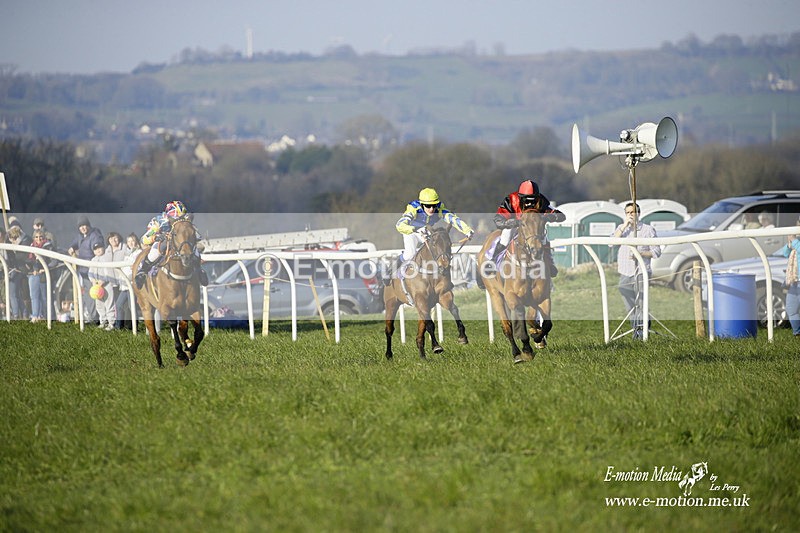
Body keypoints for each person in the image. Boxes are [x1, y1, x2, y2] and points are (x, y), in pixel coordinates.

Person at [387, 187, 473, 283]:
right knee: (410, 254)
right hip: (411, 232)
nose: (431, 209)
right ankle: (390, 271)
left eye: (434, 205)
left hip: (427, 231)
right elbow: (400, 225)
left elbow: (452, 219)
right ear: (422, 204)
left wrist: (467, 231)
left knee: (436, 249)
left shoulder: (439, 208)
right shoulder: (414, 208)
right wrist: (415, 229)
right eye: (428, 206)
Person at [488, 179, 565, 276]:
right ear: (520, 197)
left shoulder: (541, 200)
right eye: (527, 200)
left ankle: (549, 263)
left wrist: (552, 216)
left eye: (533, 200)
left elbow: (560, 215)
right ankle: (492, 262)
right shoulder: (511, 199)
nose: (530, 203)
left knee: (544, 238)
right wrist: (508, 223)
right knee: (505, 238)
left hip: (533, 226)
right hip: (515, 225)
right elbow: (498, 218)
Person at [612, 202, 662, 339]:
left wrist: (640, 254)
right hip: (625, 271)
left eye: (633, 212)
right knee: (629, 305)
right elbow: (611, 242)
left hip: (642, 271)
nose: (631, 215)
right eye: (628, 212)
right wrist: (624, 226)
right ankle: (636, 329)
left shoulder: (648, 230)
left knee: (641, 304)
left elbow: (657, 252)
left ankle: (642, 332)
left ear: (639, 213)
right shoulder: (622, 229)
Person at [135, 200, 208, 289]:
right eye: (177, 218)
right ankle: (142, 272)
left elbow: (197, 235)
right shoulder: (159, 222)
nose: (180, 221)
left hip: (179, 242)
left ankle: (199, 270)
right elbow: (144, 238)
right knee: (154, 253)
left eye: (182, 217)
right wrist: (156, 237)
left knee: (193, 250)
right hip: (163, 240)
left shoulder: (186, 221)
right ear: (169, 217)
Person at [67, 216, 105, 323]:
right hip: (82, 271)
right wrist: (72, 247)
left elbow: (97, 247)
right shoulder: (80, 236)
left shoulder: (94, 234)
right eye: (80, 226)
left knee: (94, 295)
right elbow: (74, 243)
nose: (83, 228)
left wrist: (96, 249)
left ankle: (97, 319)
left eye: (84, 225)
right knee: (87, 295)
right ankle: (93, 317)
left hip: (92, 271)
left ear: (88, 225)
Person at [26, 228, 58, 323]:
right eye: (36, 237)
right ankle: (36, 316)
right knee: (34, 297)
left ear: (44, 237)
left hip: (45, 276)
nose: (38, 239)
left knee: (46, 298)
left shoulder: (48, 246)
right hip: (34, 275)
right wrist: (33, 269)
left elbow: (54, 261)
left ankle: (50, 318)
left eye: (40, 237)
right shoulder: (31, 247)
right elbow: (29, 261)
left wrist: (45, 268)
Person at [779, 217, 800, 337]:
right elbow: (786, 253)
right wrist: (790, 243)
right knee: (791, 309)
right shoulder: (796, 242)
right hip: (794, 281)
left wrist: (795, 242)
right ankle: (797, 333)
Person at [88, 241, 116, 330]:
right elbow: (90, 273)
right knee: (99, 305)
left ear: (103, 248)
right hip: (96, 287)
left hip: (106, 285)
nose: (98, 250)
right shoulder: (93, 260)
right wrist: (93, 281)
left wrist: (102, 281)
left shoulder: (106, 258)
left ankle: (111, 322)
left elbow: (108, 271)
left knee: (109, 303)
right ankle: (103, 321)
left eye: (100, 248)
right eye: (95, 249)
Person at [115, 233, 141, 330]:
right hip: (124, 284)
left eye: (132, 241)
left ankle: (135, 327)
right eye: (129, 241)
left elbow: (137, 267)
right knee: (118, 305)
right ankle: (118, 327)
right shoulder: (127, 253)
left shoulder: (139, 252)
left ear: (136, 242)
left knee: (132, 307)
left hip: (132, 284)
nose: (130, 243)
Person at [6, 225, 31, 320]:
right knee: (15, 293)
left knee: (13, 293)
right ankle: (23, 312)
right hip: (15, 269)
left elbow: (23, 257)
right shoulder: (9, 242)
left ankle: (16, 315)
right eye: (11, 239)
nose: (13, 241)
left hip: (22, 270)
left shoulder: (26, 241)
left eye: (14, 238)